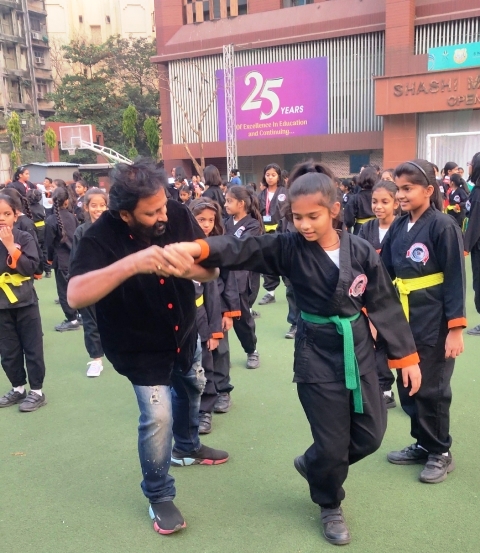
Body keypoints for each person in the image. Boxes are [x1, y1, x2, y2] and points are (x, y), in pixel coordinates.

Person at [167, 161, 421, 546]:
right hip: (316, 353)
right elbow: (242, 247)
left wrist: (407, 357)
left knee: (370, 435)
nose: (304, 225)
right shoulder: (288, 248)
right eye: (297, 217)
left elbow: (383, 302)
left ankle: (313, 465)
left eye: (313, 216)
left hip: (357, 349)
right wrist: (200, 246)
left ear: (335, 210)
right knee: (334, 444)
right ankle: (330, 503)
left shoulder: (362, 250)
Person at [67, 158, 228, 536]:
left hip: (183, 331)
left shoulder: (175, 212)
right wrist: (132, 263)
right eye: (151, 212)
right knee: (158, 417)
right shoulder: (98, 237)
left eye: (163, 205)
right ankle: (158, 493)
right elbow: (75, 295)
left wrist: (186, 268)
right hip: (137, 345)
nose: (163, 215)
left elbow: (213, 270)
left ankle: (187, 446)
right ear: (124, 214)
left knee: (192, 384)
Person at [381, 159, 466, 484]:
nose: (401, 195)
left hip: (436, 322)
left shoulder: (443, 226)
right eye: (398, 188)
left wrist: (455, 329)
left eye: (408, 188)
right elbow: (383, 272)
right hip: (404, 321)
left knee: (433, 388)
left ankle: (440, 451)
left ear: (429, 190)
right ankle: (422, 442)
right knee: (409, 386)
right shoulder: (399, 227)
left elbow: (456, 278)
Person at [188, 198, 237, 434]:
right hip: (197, 309)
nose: (206, 224)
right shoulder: (184, 245)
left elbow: (230, 282)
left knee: (220, 350)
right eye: (201, 220)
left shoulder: (220, 245)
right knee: (201, 354)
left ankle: (223, 390)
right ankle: (200, 399)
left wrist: (229, 311)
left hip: (218, 305)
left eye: (211, 220)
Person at [0, 193, 47, 412]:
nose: (1, 218)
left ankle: (36, 391)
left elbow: (31, 268)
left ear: (15, 215)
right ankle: (18, 388)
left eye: (6, 213)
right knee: (8, 350)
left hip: (25, 302)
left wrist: (11, 246)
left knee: (32, 348)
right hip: (1, 305)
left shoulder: (25, 237)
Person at [359, 180, 400, 408]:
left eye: (385, 202)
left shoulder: (402, 228)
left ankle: (403, 387)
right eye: (375, 201)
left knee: (395, 340)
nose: (379, 206)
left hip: (396, 294)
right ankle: (384, 388)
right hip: (370, 293)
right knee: (374, 340)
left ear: (396, 203)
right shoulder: (366, 228)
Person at [70, 188, 108, 377]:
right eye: (94, 206)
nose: (98, 209)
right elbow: (75, 261)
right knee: (90, 321)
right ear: (86, 207)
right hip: (89, 284)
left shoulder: (113, 230)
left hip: (111, 282)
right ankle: (96, 359)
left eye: (102, 205)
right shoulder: (81, 231)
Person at [224, 185, 262, 369]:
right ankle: (221, 357)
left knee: (241, 318)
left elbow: (241, 246)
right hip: (222, 274)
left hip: (241, 277)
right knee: (216, 316)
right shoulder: (225, 222)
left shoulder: (253, 224)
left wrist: (222, 246)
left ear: (241, 203)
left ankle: (251, 350)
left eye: (229, 201)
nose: (225, 205)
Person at [45, 187, 80, 332]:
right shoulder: (73, 217)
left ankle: (72, 320)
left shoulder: (51, 220)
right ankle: (79, 314)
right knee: (76, 288)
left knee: (64, 290)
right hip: (75, 258)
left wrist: (49, 259)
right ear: (67, 201)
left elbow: (48, 243)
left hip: (62, 260)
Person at [257, 163, 288, 305]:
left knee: (285, 259)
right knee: (268, 261)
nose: (270, 178)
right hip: (265, 232)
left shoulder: (285, 192)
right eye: (267, 175)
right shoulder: (261, 194)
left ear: (279, 176)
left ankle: (292, 290)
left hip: (281, 231)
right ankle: (270, 293)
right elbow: (257, 213)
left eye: (273, 175)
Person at [464, 152, 480, 335]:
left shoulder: (477, 193)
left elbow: (475, 222)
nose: (469, 166)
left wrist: (466, 246)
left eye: (471, 163)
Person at [343, 166, 377, 234]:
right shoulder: (379, 197)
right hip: (377, 227)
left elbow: (349, 220)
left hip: (360, 229)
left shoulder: (355, 198)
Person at [27, 189, 49, 278]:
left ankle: (37, 270)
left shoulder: (28, 208)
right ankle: (48, 270)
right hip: (43, 227)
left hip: (34, 228)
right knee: (44, 249)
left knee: (36, 249)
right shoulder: (41, 206)